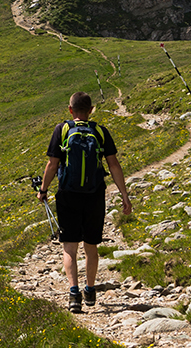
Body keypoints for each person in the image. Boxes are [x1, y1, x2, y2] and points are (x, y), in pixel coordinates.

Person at [39, 91, 132, 312]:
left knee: (69, 247)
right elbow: (114, 165)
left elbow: (52, 165)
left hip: (68, 195)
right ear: (91, 110)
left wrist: (43, 190)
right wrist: (124, 196)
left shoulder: (62, 130)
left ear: (70, 110)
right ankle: (90, 290)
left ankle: (74, 294)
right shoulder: (100, 132)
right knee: (91, 246)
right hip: (94, 195)